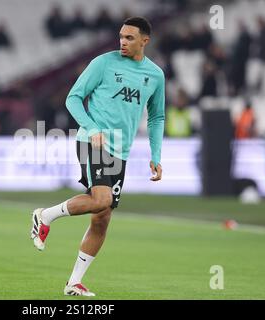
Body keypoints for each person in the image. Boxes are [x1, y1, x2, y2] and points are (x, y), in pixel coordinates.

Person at [30, 17, 165, 296]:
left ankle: (74, 282)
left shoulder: (155, 75)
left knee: (101, 218)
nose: (123, 42)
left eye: (129, 38)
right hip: (94, 141)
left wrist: (156, 154)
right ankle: (45, 216)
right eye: (121, 37)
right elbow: (73, 98)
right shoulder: (103, 63)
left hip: (121, 151)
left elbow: (157, 117)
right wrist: (91, 128)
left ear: (145, 40)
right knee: (101, 199)